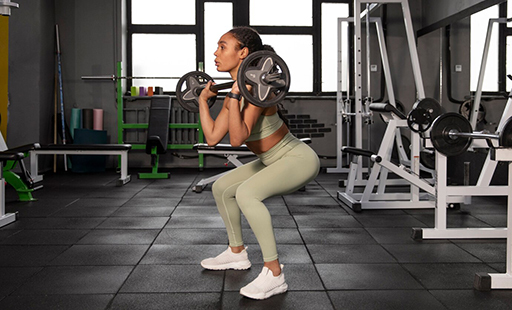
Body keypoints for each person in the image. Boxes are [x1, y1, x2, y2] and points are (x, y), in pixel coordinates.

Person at [198, 26, 320, 300]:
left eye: (222, 46)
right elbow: (213, 138)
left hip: (297, 158)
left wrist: (234, 95)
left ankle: (274, 274)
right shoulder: (236, 91)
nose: (215, 53)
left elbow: (238, 138)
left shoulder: (257, 91)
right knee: (222, 188)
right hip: (270, 159)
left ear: (243, 53)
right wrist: (203, 102)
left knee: (246, 193)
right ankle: (237, 252)